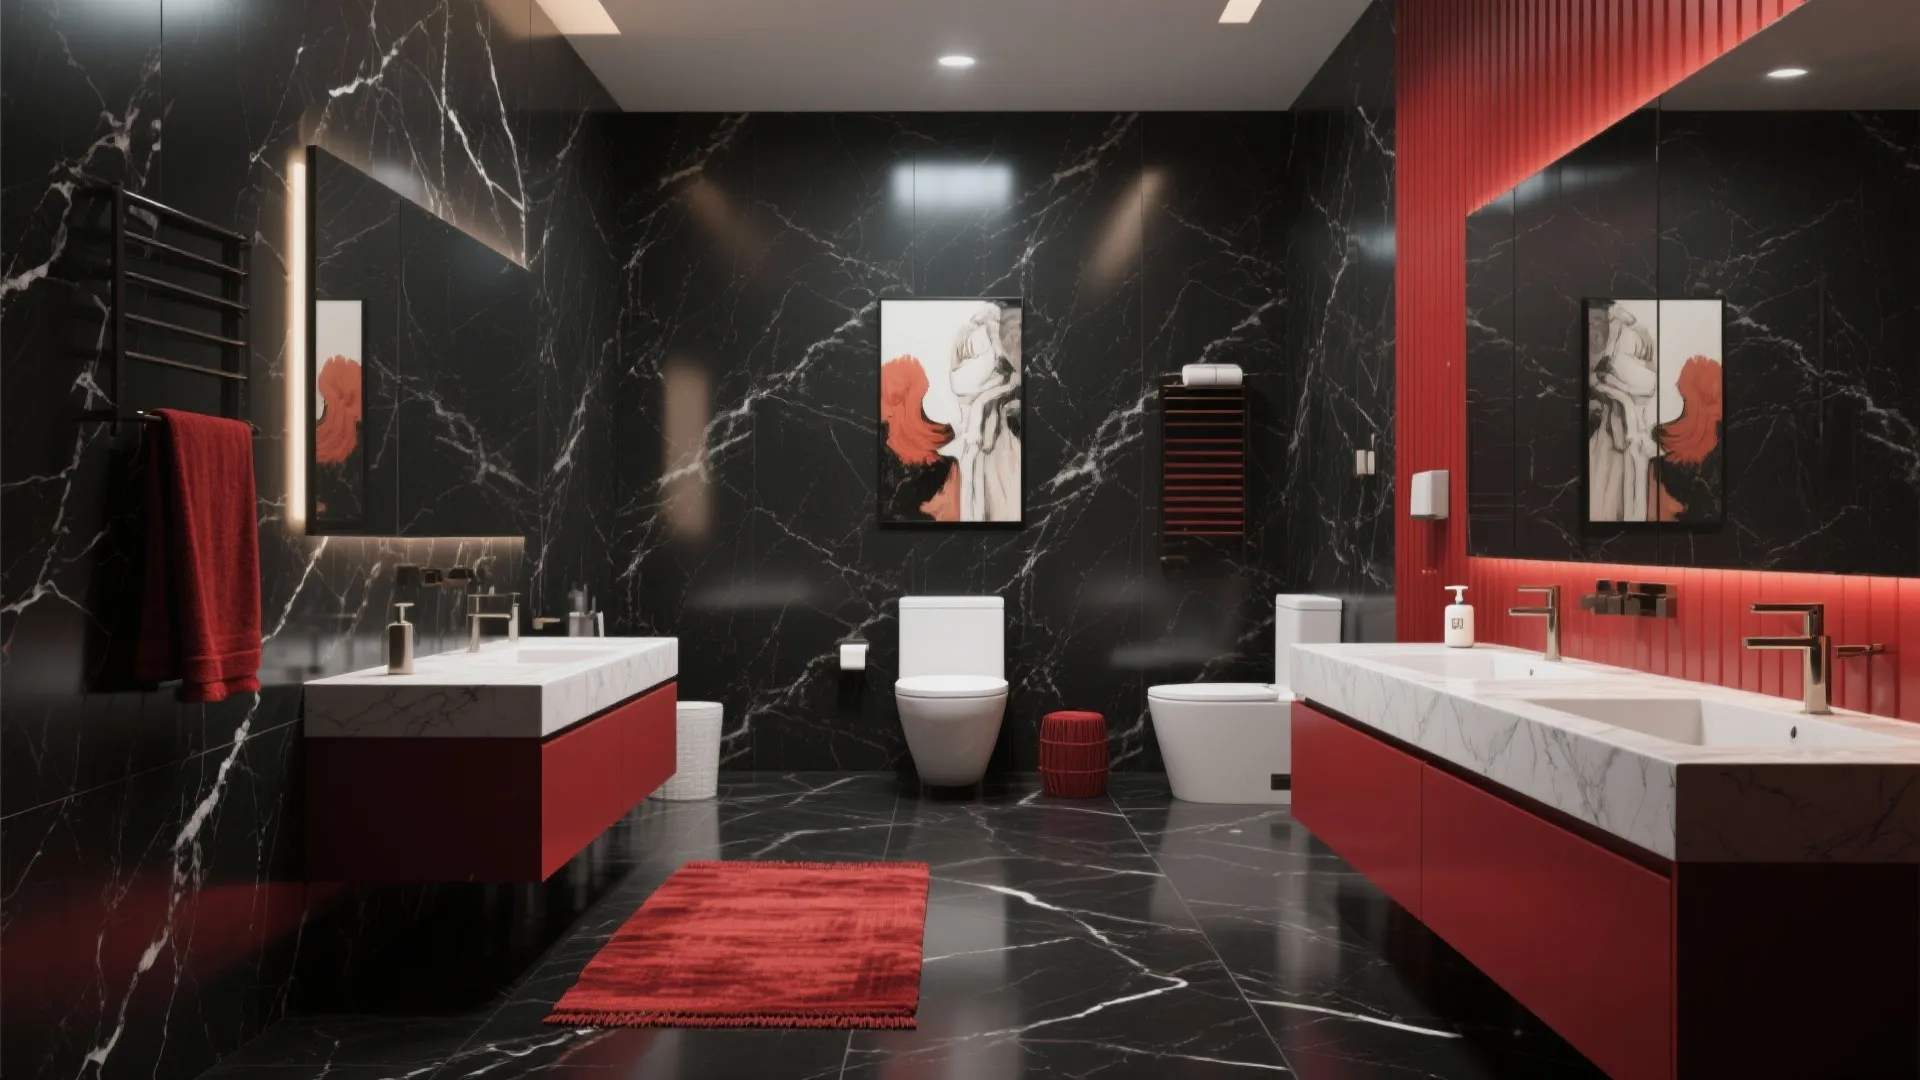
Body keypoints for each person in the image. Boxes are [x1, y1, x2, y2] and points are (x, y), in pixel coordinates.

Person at [940, 304, 1022, 521]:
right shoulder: (973, 336)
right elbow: (959, 383)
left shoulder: (1003, 335)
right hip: (982, 449)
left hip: (997, 446)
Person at [1588, 302, 1658, 522]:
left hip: (1622, 432)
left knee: (1620, 485)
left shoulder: (1623, 342)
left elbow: (1645, 354)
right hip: (1611, 431)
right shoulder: (1606, 358)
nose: (1593, 329)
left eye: (1598, 321)